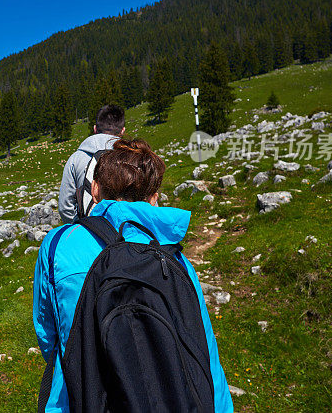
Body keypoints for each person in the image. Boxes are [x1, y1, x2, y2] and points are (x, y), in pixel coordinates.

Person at [34, 138, 234, 413]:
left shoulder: (57, 245)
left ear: (95, 190)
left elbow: (47, 334)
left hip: (78, 397)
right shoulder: (176, 259)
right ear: (154, 197)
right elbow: (204, 350)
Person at [57, 104, 125, 224]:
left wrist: (80, 227)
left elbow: (65, 207)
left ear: (95, 129)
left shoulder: (76, 158)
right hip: (127, 234)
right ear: (123, 131)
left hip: (89, 231)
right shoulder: (133, 158)